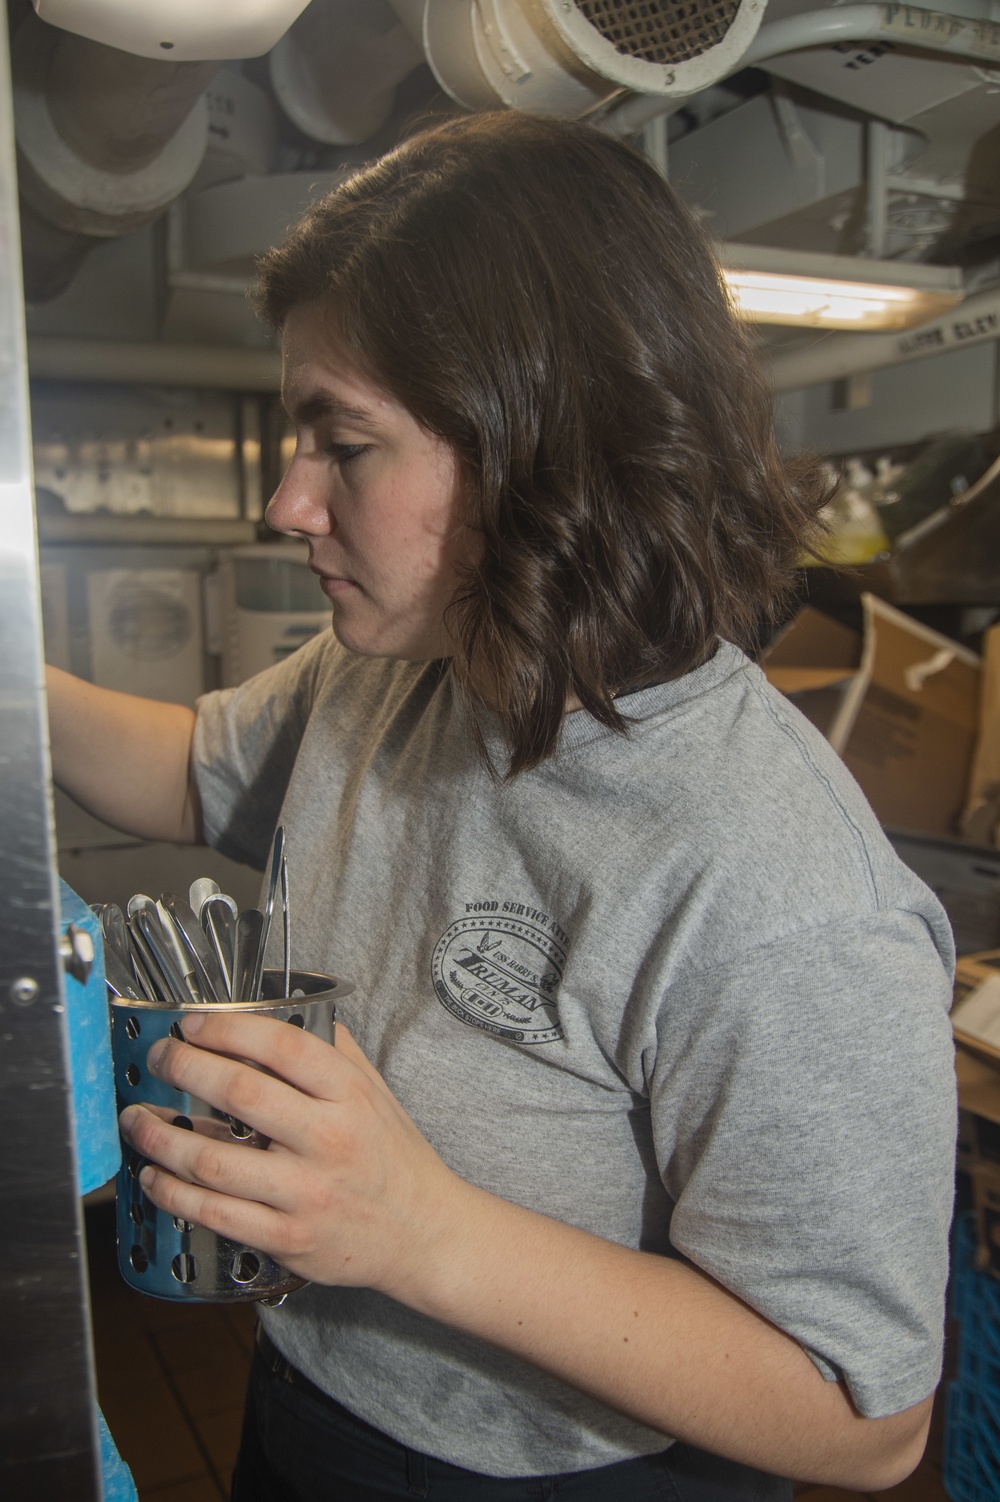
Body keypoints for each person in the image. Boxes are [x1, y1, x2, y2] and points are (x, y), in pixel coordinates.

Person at [46, 111, 957, 1502]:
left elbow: (861, 1409)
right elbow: (192, 765)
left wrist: (421, 1230)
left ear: (540, 448)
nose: (290, 500)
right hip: (309, 1396)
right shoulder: (407, 667)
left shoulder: (780, 883)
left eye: (342, 442)